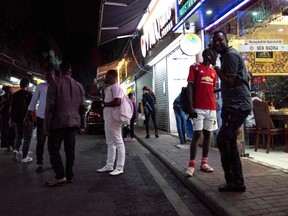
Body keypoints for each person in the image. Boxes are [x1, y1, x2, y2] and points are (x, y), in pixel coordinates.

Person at [211, 30, 252, 192]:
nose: (217, 43)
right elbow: (234, 82)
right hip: (234, 105)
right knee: (229, 141)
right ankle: (236, 182)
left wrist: (215, 66)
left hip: (238, 106)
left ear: (226, 40)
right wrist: (217, 91)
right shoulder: (227, 56)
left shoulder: (230, 56)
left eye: (220, 40)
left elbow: (229, 81)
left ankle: (234, 181)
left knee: (223, 140)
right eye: (215, 41)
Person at [44, 62, 85, 186]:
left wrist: (46, 126)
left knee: (53, 149)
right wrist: (82, 125)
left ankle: (60, 176)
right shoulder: (79, 86)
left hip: (58, 123)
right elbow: (82, 108)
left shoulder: (54, 83)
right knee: (70, 150)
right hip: (73, 123)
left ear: (59, 71)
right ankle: (69, 176)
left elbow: (50, 107)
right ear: (70, 71)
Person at [186, 48, 218, 177]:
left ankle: (204, 163)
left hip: (211, 108)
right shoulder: (195, 67)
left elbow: (211, 89)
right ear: (206, 55)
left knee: (207, 134)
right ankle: (191, 164)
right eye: (212, 54)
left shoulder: (213, 72)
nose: (214, 56)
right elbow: (190, 87)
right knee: (197, 134)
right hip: (198, 107)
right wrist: (190, 107)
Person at [24, 67, 55, 172]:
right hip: (41, 118)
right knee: (40, 142)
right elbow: (33, 102)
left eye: (49, 74)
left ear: (53, 74)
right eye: (46, 75)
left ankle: (53, 162)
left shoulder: (58, 86)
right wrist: (26, 116)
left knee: (53, 143)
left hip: (53, 119)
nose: (47, 76)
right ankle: (40, 163)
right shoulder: (40, 86)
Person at [97, 69, 126, 176]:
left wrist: (105, 105)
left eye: (107, 77)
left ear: (113, 77)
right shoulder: (109, 88)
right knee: (110, 142)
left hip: (114, 119)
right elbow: (105, 100)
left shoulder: (116, 87)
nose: (105, 78)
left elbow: (117, 101)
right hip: (108, 118)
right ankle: (109, 165)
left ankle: (119, 167)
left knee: (118, 142)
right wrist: (103, 91)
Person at [10, 78, 34, 163]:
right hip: (26, 119)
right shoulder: (29, 94)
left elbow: (11, 108)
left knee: (18, 136)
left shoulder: (14, 95)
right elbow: (32, 108)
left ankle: (15, 150)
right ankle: (24, 157)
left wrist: (11, 119)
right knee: (27, 139)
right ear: (27, 85)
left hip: (16, 119)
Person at [0, 86, 15, 152]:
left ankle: (13, 145)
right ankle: (8, 146)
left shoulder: (13, 97)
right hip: (4, 117)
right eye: (11, 89)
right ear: (8, 90)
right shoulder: (2, 97)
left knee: (12, 132)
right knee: (5, 132)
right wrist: (2, 102)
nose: (12, 90)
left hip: (11, 117)